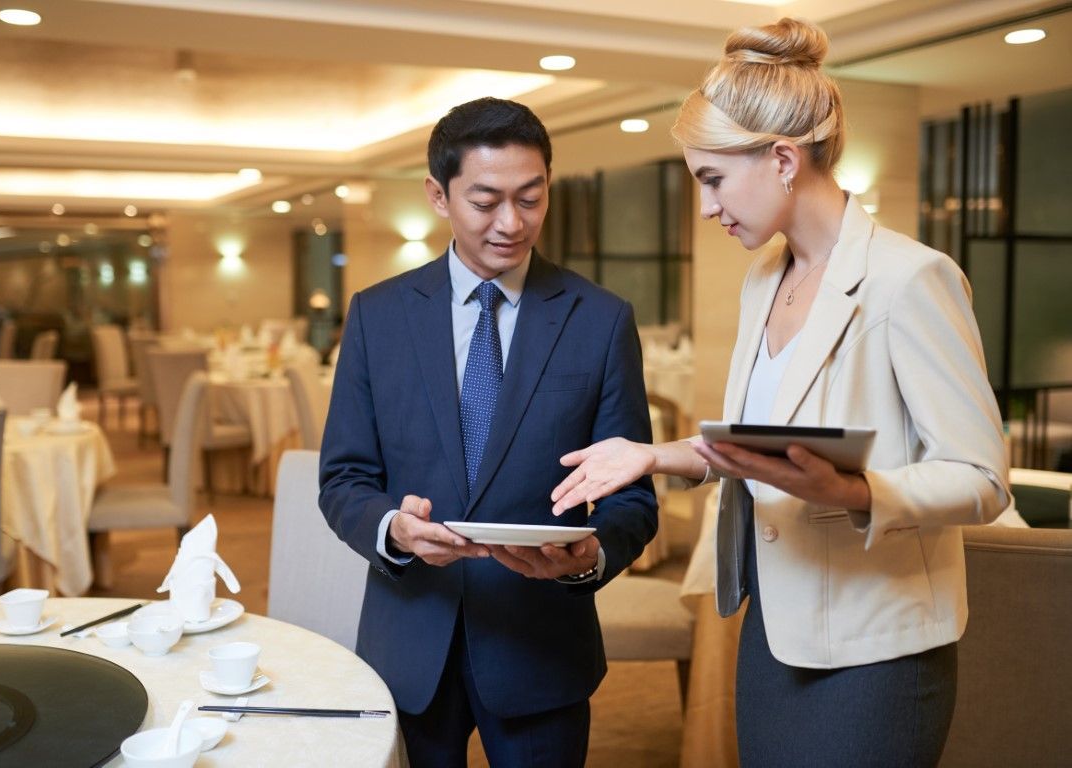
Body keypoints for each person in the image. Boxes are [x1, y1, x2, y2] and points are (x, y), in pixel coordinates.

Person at [550, 18, 1010, 768]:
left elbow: (982, 477)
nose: (705, 206)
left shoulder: (909, 280)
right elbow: (761, 445)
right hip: (772, 626)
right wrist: (653, 456)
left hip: (875, 651)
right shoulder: (764, 278)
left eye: (712, 179)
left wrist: (854, 490)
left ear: (784, 159)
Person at [318, 96, 658, 767]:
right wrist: (393, 530)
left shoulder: (599, 320)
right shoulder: (376, 315)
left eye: (530, 198)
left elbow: (631, 499)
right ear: (438, 196)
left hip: (540, 646)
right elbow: (343, 479)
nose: (511, 222)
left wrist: (589, 557)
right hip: (410, 642)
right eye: (485, 200)